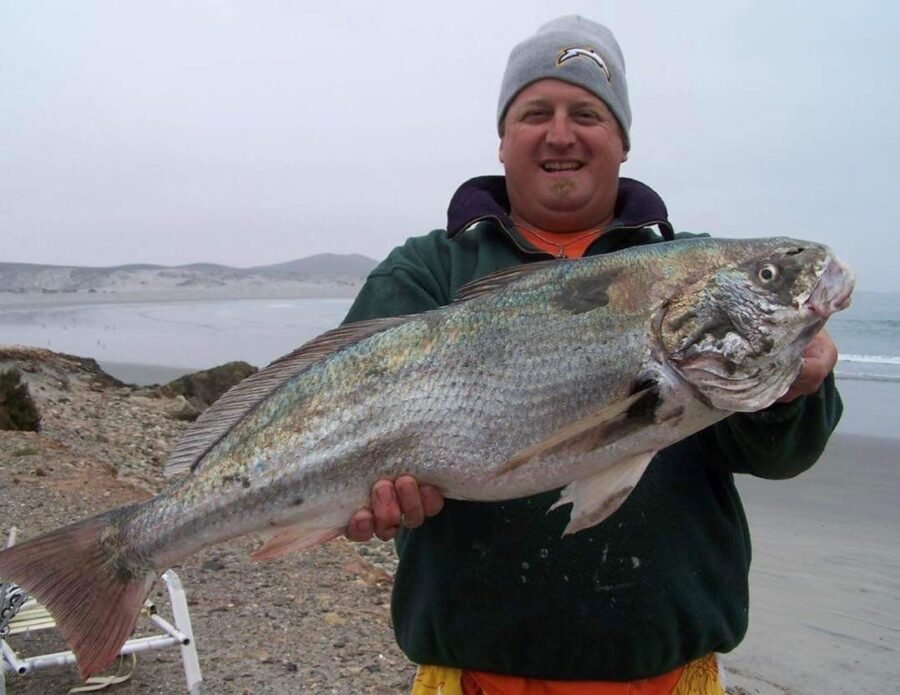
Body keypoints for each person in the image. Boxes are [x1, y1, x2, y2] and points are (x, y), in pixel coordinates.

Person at [342, 16, 841, 695]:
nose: (560, 132)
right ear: (502, 136)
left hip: (671, 678)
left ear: (623, 141)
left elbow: (782, 455)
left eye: (588, 113)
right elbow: (337, 408)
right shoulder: (428, 271)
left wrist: (796, 386)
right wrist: (369, 497)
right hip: (472, 679)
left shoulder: (692, 266)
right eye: (535, 112)